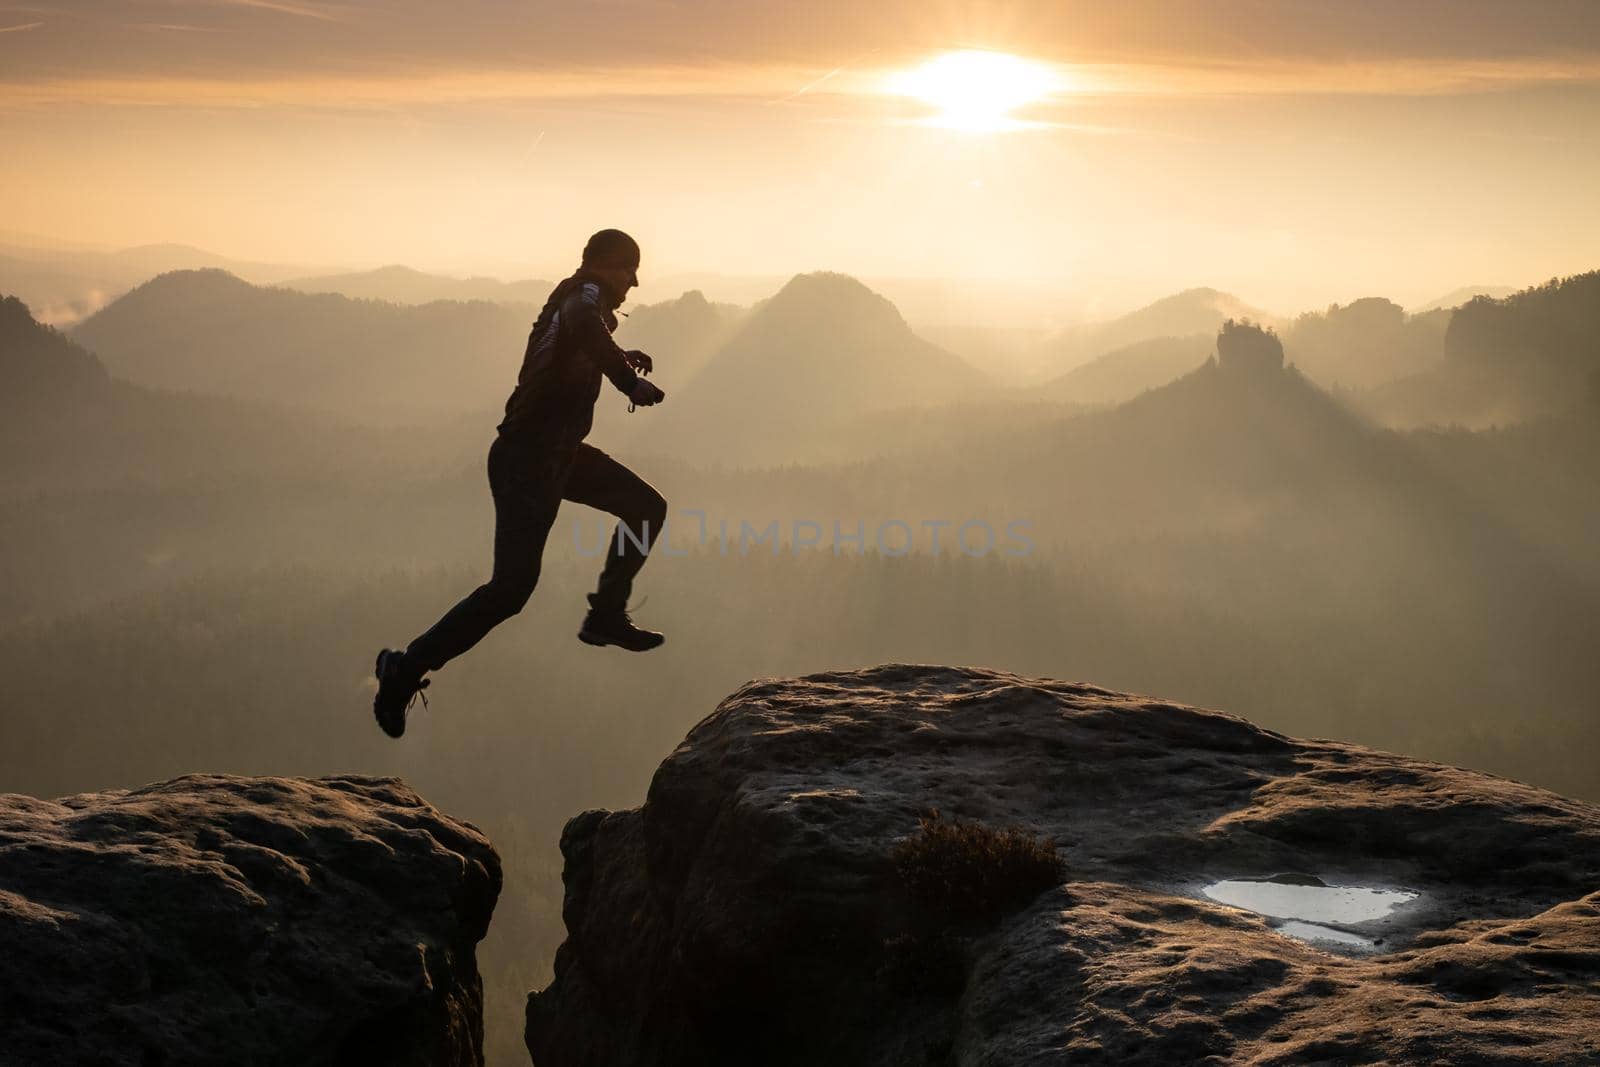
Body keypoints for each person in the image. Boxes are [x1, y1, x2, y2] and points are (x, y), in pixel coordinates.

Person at [371, 229, 669, 738]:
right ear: (604, 265)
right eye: (629, 270)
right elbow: (584, 323)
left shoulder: (576, 300)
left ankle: (607, 615)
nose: (634, 282)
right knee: (510, 590)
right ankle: (403, 669)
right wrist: (627, 380)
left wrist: (621, 354)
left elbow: (582, 336)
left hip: (557, 456)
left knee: (646, 507)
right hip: (527, 461)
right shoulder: (584, 297)